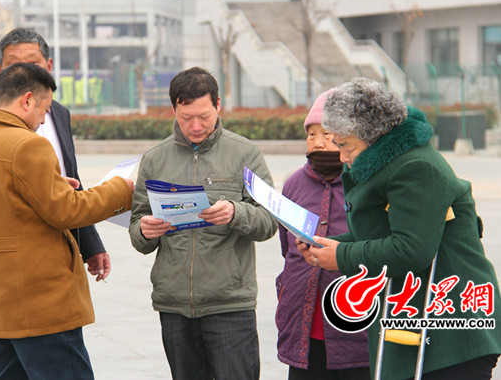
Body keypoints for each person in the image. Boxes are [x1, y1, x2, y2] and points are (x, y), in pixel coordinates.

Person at [298, 77, 501, 379]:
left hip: (451, 327)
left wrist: (342, 257)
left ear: (370, 135)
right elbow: (378, 233)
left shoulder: (415, 167)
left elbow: (411, 249)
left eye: (345, 145)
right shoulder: (385, 162)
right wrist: (327, 246)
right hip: (415, 316)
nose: (341, 156)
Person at [0, 62, 134, 379]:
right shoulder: (28, 145)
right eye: (44, 110)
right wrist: (121, 190)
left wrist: (55, 188)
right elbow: (67, 212)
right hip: (41, 303)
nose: (42, 121)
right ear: (28, 100)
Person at [128, 66, 278, 380]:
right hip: (174, 304)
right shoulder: (155, 159)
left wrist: (236, 213)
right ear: (173, 110)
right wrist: (144, 230)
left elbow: (268, 221)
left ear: (218, 106)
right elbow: (137, 227)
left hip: (229, 303)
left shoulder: (245, 154)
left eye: (204, 117)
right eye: (186, 118)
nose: (195, 126)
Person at [276, 89, 370, 379]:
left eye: (327, 134)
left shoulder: (367, 183)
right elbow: (286, 247)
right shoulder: (294, 184)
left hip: (356, 328)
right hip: (303, 329)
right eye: (311, 134)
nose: (317, 143)